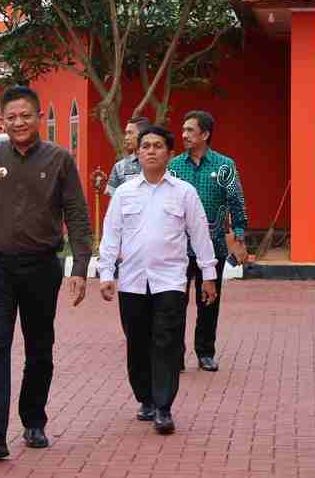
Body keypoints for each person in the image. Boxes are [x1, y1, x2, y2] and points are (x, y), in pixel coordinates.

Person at [0, 85, 93, 460]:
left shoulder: (59, 158)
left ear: (39, 117)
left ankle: (34, 419)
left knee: (39, 347)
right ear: (2, 121)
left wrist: (80, 267)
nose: (19, 122)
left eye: (26, 115)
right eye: (11, 117)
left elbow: (76, 214)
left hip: (42, 266)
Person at [98, 125, 218, 435]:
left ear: (170, 154)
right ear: (137, 153)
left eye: (157, 146)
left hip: (170, 281)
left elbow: (200, 235)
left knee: (166, 341)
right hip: (132, 282)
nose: (151, 151)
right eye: (145, 146)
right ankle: (146, 399)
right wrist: (106, 273)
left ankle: (164, 407)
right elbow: (111, 235)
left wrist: (208, 275)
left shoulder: (184, 192)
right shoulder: (124, 193)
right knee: (137, 341)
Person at [167, 110, 247, 372]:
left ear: (205, 134)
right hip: (178, 248)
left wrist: (239, 233)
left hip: (213, 246)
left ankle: (205, 352)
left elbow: (236, 201)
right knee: (175, 303)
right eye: (183, 130)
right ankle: (175, 354)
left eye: (190, 130)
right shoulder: (174, 167)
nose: (184, 135)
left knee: (209, 301)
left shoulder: (224, 166)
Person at [105, 116, 151, 196]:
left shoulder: (161, 165)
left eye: (130, 133)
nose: (126, 138)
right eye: (126, 133)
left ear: (143, 134)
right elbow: (114, 200)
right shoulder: (120, 167)